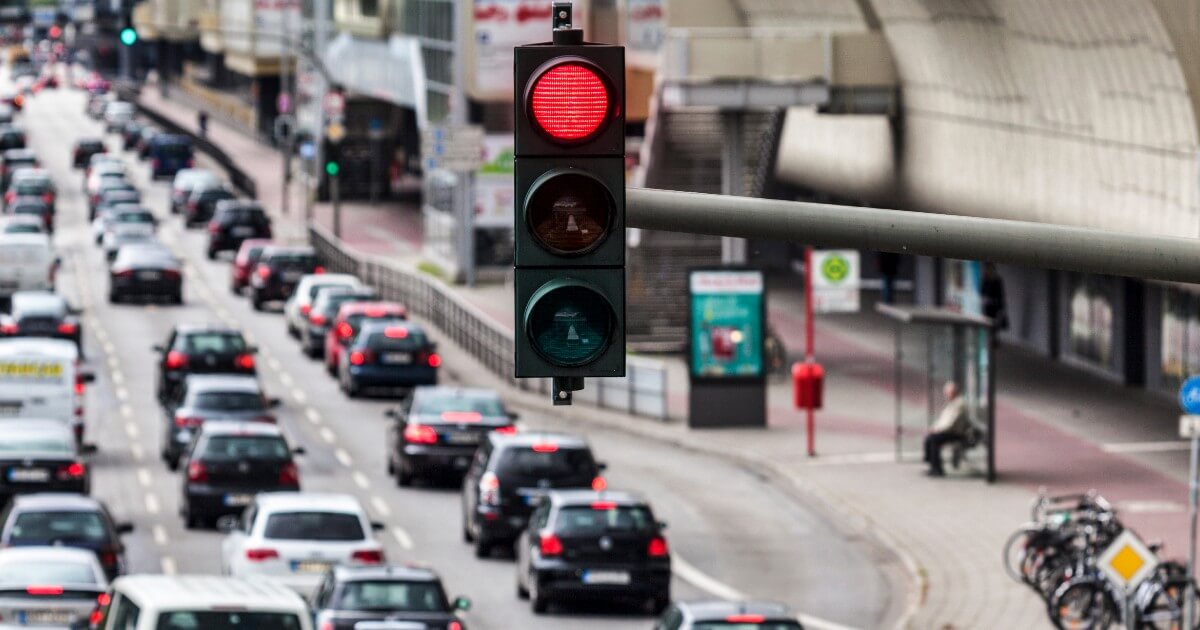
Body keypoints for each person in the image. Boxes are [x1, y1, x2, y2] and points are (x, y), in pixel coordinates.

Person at [923, 381, 969, 477]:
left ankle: (937, 468)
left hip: (955, 432)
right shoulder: (953, 403)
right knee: (929, 438)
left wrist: (938, 430)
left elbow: (951, 422)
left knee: (933, 439)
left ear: (953, 392)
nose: (946, 395)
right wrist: (935, 428)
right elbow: (943, 419)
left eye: (947, 393)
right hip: (949, 431)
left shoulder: (959, 404)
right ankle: (933, 465)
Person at [981, 262, 1008, 329]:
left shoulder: (997, 281)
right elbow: (982, 292)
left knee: (993, 327)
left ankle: (992, 337)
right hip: (987, 310)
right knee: (987, 327)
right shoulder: (985, 280)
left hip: (995, 311)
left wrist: (1001, 311)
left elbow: (1001, 297)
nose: (988, 271)